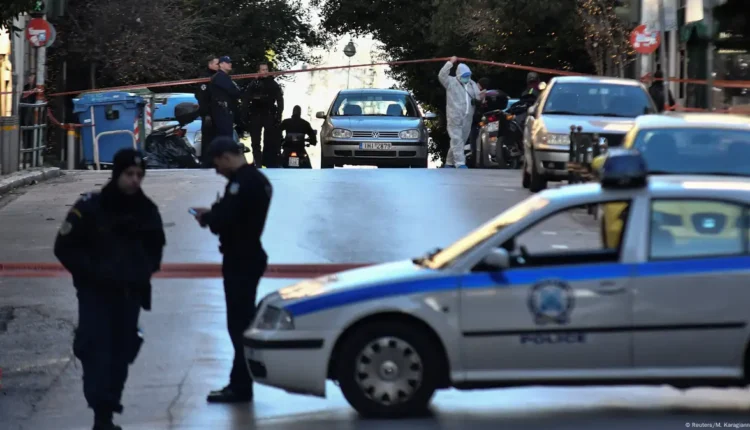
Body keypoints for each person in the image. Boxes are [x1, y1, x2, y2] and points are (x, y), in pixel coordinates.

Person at [54, 149, 166, 430]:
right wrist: (91, 274)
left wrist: (140, 272)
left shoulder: (146, 211)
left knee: (122, 352)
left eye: (139, 175)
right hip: (96, 295)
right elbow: (64, 247)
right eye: (129, 174)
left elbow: (155, 249)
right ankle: (101, 413)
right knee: (95, 350)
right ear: (117, 174)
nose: (135, 180)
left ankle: (109, 408)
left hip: (129, 295)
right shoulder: (90, 207)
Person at [190, 136, 273, 403]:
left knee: (239, 325)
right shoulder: (256, 180)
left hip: (241, 258)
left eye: (216, 165)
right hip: (247, 256)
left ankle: (241, 385)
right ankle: (240, 382)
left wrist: (209, 217)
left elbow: (227, 219)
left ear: (225, 157)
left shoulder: (243, 183)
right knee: (241, 323)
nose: (217, 172)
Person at [438, 56, 483, 168]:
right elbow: (441, 75)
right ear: (458, 75)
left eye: (468, 75)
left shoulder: (472, 84)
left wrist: (481, 97)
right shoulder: (450, 82)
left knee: (460, 140)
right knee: (457, 139)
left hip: (468, 117)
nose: (466, 78)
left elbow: (478, 97)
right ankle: (460, 163)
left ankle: (449, 163)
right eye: (464, 76)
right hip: (454, 117)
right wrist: (450, 62)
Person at [243, 62, 284, 167]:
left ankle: (269, 163)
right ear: (258, 71)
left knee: (269, 141)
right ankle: (258, 163)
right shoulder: (253, 84)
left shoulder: (273, 84)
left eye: (266, 69)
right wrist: (245, 115)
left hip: (269, 114)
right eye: (263, 70)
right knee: (255, 142)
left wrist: (278, 115)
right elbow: (246, 99)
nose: (265, 72)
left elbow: (280, 100)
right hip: (255, 114)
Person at [210, 56, 242, 138]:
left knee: (226, 135)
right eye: (227, 62)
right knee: (225, 136)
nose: (230, 64)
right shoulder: (220, 77)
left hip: (224, 110)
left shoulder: (224, 76)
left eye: (230, 62)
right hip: (222, 111)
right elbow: (234, 91)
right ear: (221, 64)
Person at [196, 55, 219, 167]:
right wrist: (206, 114)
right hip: (208, 114)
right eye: (216, 64)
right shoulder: (205, 78)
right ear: (210, 64)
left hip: (218, 114)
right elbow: (202, 97)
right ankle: (207, 163)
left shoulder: (218, 76)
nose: (219, 66)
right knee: (208, 139)